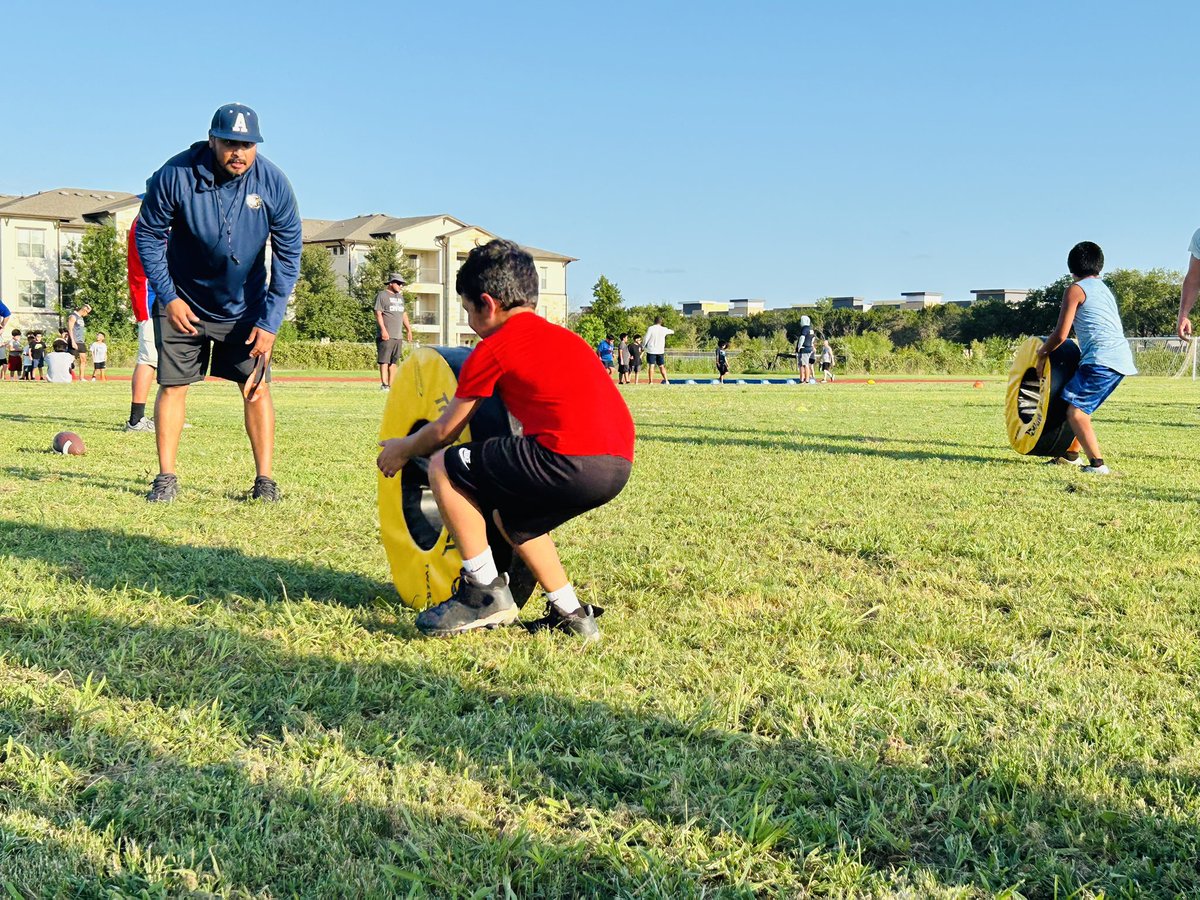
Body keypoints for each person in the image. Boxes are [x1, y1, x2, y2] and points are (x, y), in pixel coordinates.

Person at [377, 239, 634, 640]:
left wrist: (403, 449)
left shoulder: (494, 348)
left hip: (565, 457)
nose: (470, 323)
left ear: (487, 303)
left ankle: (482, 592)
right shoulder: (567, 339)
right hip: (615, 466)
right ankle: (573, 616)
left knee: (446, 463)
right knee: (514, 520)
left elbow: (445, 429)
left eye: (467, 311)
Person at [136, 102, 302, 502]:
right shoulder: (174, 174)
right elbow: (147, 236)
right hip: (183, 301)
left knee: (256, 388)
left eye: (247, 144)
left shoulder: (273, 183)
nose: (238, 152)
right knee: (173, 387)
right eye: (230, 142)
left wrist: (271, 320)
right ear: (212, 139)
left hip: (245, 308)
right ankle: (166, 478)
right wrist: (169, 297)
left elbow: (289, 252)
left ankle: (265, 481)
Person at [1037, 241, 1136, 475]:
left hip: (1100, 359)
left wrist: (1042, 353)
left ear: (1071, 267)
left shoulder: (1075, 289)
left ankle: (1098, 465)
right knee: (1081, 408)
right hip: (1119, 360)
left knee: (1076, 412)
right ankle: (1070, 455)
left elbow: (1062, 334)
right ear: (1099, 266)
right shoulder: (1103, 288)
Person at [125, 214, 158, 430]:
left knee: (169, 358)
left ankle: (168, 415)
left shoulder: (151, 218)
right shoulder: (147, 221)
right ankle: (136, 420)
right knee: (149, 358)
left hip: (161, 297)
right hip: (150, 297)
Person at [375, 273, 413, 391]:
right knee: (384, 360)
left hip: (398, 335)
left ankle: (392, 386)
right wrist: (383, 330)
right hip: (386, 335)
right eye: (398, 283)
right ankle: (384, 384)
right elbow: (378, 313)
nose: (400, 286)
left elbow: (403, 314)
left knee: (394, 361)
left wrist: (408, 330)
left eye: (401, 284)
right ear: (391, 283)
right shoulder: (382, 295)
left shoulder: (400, 297)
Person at [644, 316, 674, 383]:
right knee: (661, 366)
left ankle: (651, 381)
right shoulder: (664, 329)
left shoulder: (651, 328)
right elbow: (672, 331)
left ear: (654, 321)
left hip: (651, 350)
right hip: (660, 350)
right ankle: (666, 380)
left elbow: (646, 338)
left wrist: (643, 346)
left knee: (651, 366)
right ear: (661, 322)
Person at [66, 305, 91, 381]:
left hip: (81, 341)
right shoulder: (73, 316)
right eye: (87, 312)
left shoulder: (81, 318)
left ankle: (81, 377)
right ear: (84, 310)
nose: (87, 314)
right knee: (70, 360)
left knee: (83, 359)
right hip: (74, 341)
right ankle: (67, 375)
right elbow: (70, 329)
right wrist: (73, 341)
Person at [795, 315, 815, 384]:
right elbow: (813, 338)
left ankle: (803, 379)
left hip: (804, 348)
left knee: (802, 364)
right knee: (806, 364)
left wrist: (799, 346)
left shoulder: (804, 329)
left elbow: (802, 338)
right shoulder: (811, 329)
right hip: (809, 348)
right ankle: (806, 379)